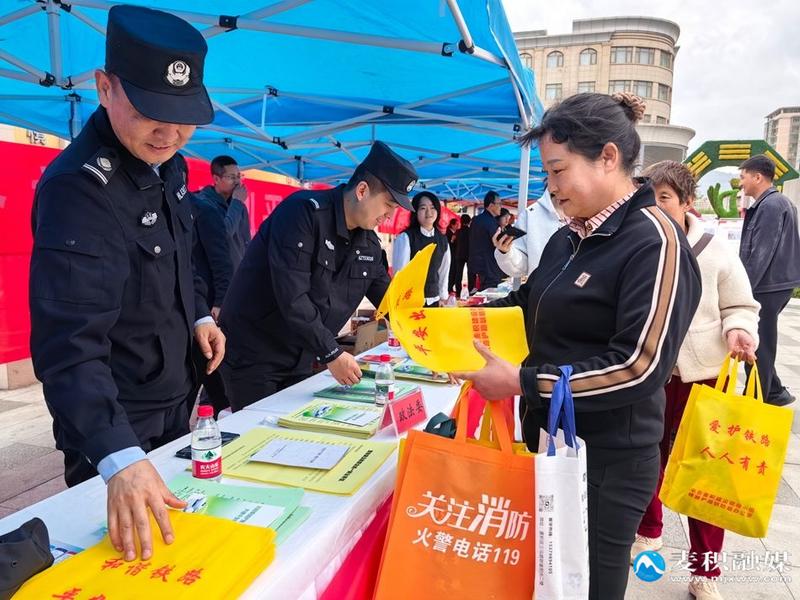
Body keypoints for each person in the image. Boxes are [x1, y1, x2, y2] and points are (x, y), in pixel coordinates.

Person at [452, 92, 702, 600]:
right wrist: (456, 325)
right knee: (544, 581)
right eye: (546, 173)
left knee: (587, 586)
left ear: (608, 157)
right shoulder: (569, 239)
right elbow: (528, 304)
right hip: (552, 442)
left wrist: (523, 382)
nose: (551, 186)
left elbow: (639, 365)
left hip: (607, 461)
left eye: (558, 170)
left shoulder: (654, 241)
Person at [28, 5, 225, 563]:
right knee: (126, 564)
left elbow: (179, 256)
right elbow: (68, 345)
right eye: (150, 113)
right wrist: (118, 457)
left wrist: (199, 315)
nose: (170, 134)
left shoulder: (169, 164)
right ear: (104, 88)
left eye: (183, 117)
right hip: (115, 417)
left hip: (175, 393)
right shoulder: (78, 190)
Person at [631, 160, 759, 600]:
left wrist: (738, 329)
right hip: (649, 374)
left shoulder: (714, 250)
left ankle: (706, 571)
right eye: (650, 198)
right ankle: (648, 530)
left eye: (665, 198)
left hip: (702, 377)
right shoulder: (638, 244)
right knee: (647, 456)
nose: (656, 206)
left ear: (687, 202)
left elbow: (741, 305)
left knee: (706, 473)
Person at [220, 141, 416, 410]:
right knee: (257, 429)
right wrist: (332, 352)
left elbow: (392, 302)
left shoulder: (368, 244)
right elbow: (292, 296)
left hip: (303, 355)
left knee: (295, 429)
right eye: (388, 205)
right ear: (362, 190)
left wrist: (433, 346)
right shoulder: (302, 214)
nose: (390, 216)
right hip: (256, 353)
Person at [188, 155, 251, 415]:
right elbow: (222, 237)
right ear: (216, 178)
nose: (238, 182)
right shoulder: (204, 204)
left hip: (237, 289)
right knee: (210, 354)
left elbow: (245, 244)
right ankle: (214, 403)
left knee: (228, 352)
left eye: (239, 176)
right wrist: (236, 204)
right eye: (232, 177)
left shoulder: (239, 207)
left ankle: (220, 403)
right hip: (213, 293)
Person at [738, 154, 800, 406]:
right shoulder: (774, 203)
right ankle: (774, 391)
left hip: (767, 285)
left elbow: (761, 252)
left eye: (743, 177)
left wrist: (742, 290)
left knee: (758, 343)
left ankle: (756, 398)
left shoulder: (771, 205)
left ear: (757, 177)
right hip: (775, 283)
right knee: (762, 339)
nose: (740, 183)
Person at [392, 191, 451, 306]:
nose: (429, 212)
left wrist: (443, 297)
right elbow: (400, 273)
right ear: (415, 211)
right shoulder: (406, 238)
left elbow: (444, 271)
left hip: (434, 299)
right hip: (410, 301)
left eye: (432, 208)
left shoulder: (443, 240)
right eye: (423, 208)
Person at [492, 187, 563, 277]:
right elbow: (521, 262)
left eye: (508, 218)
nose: (508, 220)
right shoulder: (531, 215)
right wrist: (506, 252)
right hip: (491, 269)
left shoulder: (584, 213)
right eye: (505, 217)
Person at [468, 191, 507, 290]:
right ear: (491, 205)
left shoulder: (476, 219)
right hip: (489, 267)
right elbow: (498, 244)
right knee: (490, 294)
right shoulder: (491, 222)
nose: (501, 207)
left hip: (476, 266)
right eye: (499, 204)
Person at [450, 213, 474, 293]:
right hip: (469, 254)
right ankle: (471, 290)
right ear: (469, 221)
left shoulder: (457, 232)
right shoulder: (471, 231)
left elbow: (452, 241)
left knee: (458, 273)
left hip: (459, 254)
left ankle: (458, 292)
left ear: (461, 221)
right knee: (470, 273)